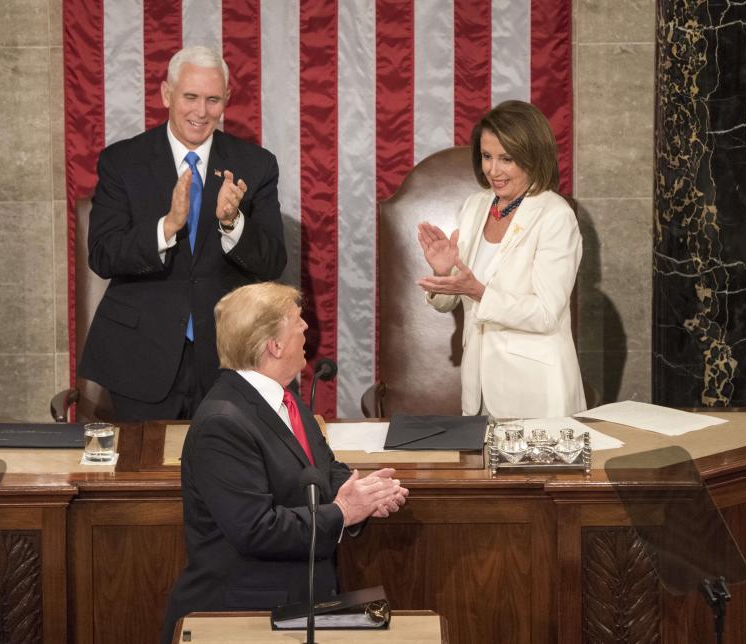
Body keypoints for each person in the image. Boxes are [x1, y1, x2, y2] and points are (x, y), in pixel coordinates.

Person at [160, 282, 408, 641]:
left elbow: (325, 472)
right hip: (244, 617)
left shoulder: (286, 404)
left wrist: (367, 496)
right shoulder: (222, 423)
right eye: (297, 321)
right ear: (273, 345)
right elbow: (256, 528)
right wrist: (342, 512)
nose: (307, 327)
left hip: (299, 607)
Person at [79, 46, 286, 420]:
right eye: (190, 97)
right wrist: (167, 227)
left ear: (226, 99)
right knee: (141, 474)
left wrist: (232, 223)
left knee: (224, 473)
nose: (201, 111)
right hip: (140, 356)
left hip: (228, 357)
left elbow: (272, 261)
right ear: (166, 95)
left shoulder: (255, 165)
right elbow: (103, 254)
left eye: (212, 99)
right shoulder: (122, 161)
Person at [416, 100, 586, 418]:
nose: (493, 170)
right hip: (478, 390)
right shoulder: (475, 206)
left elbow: (547, 314)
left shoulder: (554, 216)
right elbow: (450, 300)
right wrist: (442, 275)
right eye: (487, 156)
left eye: (507, 159)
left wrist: (479, 292)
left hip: (536, 392)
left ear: (533, 157)